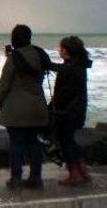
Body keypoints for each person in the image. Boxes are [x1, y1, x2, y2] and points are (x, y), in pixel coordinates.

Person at [0, 24, 50, 190]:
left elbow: (4, 84)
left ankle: (16, 179)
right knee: (33, 143)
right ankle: (36, 179)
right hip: (37, 107)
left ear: (14, 38)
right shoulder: (40, 54)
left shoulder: (14, 58)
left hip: (17, 110)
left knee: (17, 144)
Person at [48, 36, 93, 185]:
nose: (59, 51)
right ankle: (82, 169)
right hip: (77, 110)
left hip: (67, 112)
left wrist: (52, 108)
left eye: (61, 48)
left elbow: (63, 94)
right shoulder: (79, 65)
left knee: (65, 141)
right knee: (70, 140)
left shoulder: (70, 68)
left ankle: (75, 174)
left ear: (66, 51)